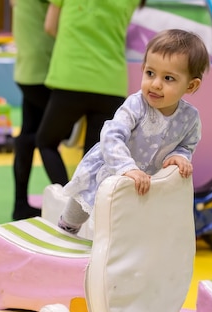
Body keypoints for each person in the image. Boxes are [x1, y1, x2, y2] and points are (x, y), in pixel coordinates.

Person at [57, 29, 210, 235]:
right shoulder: (136, 104)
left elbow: (187, 144)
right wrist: (126, 167)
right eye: (150, 73)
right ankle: (67, 226)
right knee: (84, 199)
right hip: (111, 166)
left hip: (145, 178)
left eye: (168, 78)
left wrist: (179, 156)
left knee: (126, 218)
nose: (155, 84)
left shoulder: (189, 117)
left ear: (191, 86)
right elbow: (112, 135)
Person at [34, 0, 147, 188]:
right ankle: (83, 207)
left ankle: (65, 195)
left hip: (72, 76)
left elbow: (50, 27)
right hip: (111, 83)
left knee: (46, 141)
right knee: (94, 158)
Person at [10, 0, 55, 220]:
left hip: (28, 68)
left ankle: (20, 204)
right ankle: (71, 204)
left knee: (30, 134)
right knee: (52, 135)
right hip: (42, 67)